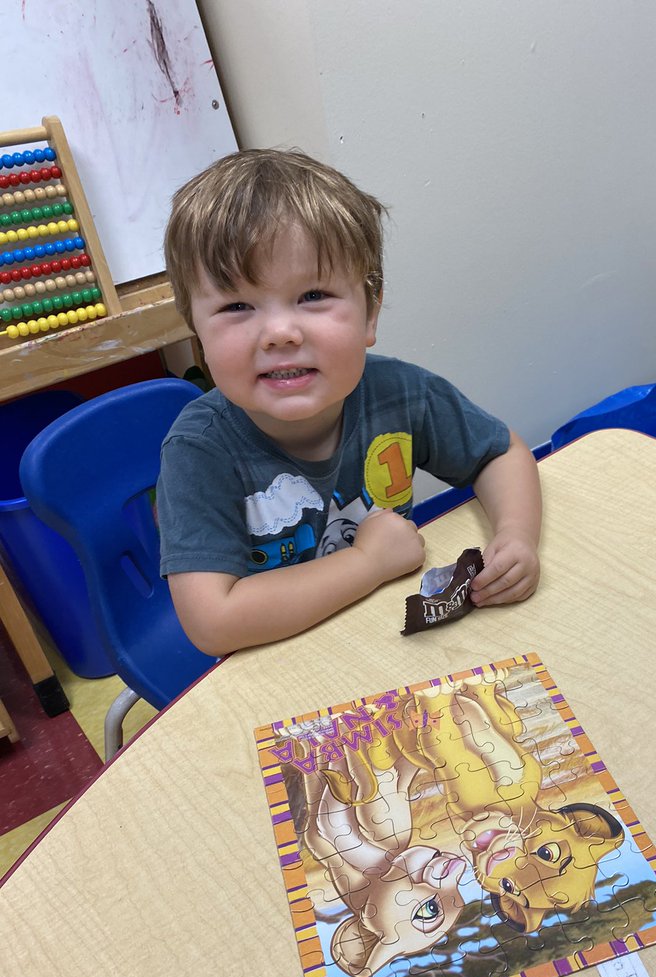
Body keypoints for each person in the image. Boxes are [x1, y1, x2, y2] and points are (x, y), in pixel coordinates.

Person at [157, 148, 541, 657]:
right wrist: (368, 564)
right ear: (197, 338)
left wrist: (516, 536)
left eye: (313, 295)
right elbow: (214, 622)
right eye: (237, 306)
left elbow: (501, 453)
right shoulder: (198, 452)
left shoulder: (403, 393)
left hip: (383, 639)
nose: (279, 333)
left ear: (370, 314)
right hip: (275, 660)